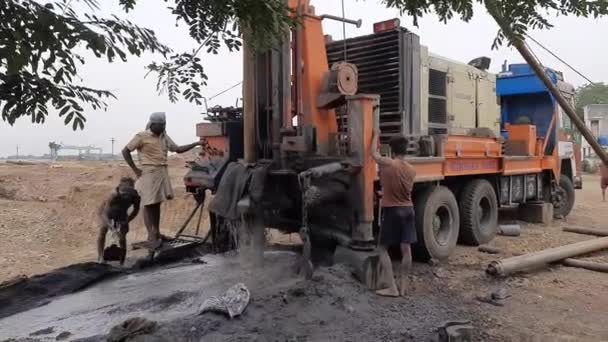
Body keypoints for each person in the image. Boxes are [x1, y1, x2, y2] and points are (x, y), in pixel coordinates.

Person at [122, 112, 201, 250]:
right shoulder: (141, 136)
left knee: (156, 203)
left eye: (164, 124)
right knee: (148, 203)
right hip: (149, 173)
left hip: (161, 172)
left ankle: (156, 233)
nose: (164, 127)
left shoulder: (164, 136)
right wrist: (135, 169)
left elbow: (177, 149)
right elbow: (125, 151)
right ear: (153, 124)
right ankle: (151, 235)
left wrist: (196, 143)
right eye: (161, 125)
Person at [371, 130, 416, 297]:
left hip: (392, 210)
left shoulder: (388, 164)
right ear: (405, 150)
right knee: (406, 248)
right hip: (409, 209)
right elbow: (403, 189)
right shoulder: (412, 170)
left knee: (382, 248)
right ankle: (404, 286)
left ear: (392, 150)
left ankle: (392, 288)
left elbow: (373, 154)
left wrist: (376, 135)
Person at [97, 177, 140, 264]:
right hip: (107, 211)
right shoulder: (114, 196)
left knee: (122, 236)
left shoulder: (135, 197)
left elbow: (135, 211)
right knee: (102, 231)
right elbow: (105, 214)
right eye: (124, 192)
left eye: (129, 191)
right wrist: (111, 227)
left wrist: (127, 221)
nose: (126, 195)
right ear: (120, 189)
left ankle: (122, 261)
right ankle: (100, 257)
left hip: (122, 213)